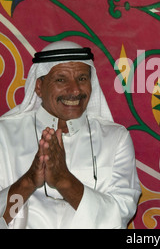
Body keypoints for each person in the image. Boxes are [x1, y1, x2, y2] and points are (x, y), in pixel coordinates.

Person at [0, 41, 141, 229]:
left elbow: (118, 217)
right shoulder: (4, 134)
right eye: (61, 79)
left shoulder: (115, 138)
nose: (75, 90)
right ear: (39, 87)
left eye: (82, 79)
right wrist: (28, 182)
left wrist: (64, 181)